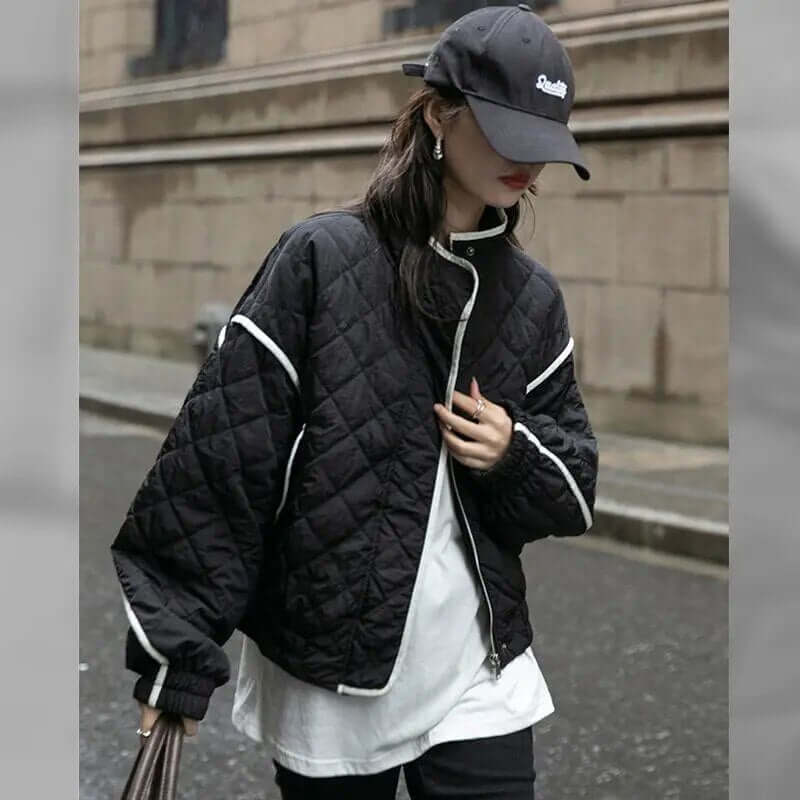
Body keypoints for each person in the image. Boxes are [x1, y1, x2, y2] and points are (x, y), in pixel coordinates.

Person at [111, 5, 598, 798]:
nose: (528, 162)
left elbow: (575, 489)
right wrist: (176, 659)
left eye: (543, 139)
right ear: (439, 115)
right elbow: (223, 464)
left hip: (478, 666)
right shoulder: (322, 258)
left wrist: (514, 453)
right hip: (331, 662)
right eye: (509, 131)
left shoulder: (532, 299)